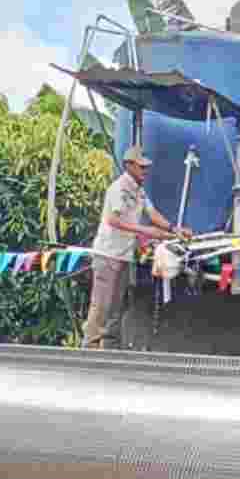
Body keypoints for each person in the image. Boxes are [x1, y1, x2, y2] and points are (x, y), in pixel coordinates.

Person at [82, 146, 190, 349]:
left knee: (116, 307)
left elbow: (153, 214)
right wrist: (144, 230)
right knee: (101, 306)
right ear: (129, 165)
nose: (145, 171)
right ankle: (89, 349)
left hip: (124, 256)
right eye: (141, 167)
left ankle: (111, 349)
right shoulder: (118, 188)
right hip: (107, 255)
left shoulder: (139, 191)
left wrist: (174, 229)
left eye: (146, 167)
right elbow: (113, 220)